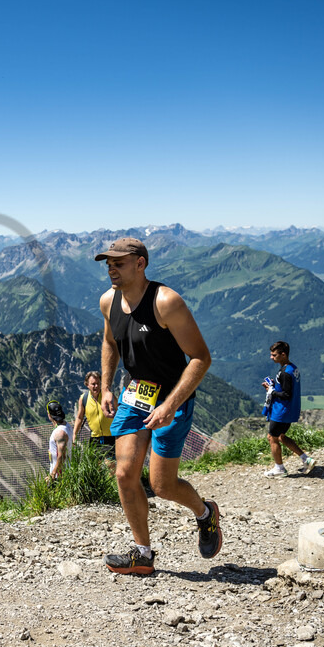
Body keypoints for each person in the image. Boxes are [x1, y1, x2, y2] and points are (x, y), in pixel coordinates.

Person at [95, 237, 222, 576]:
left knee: (163, 485)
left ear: (140, 263)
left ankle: (206, 514)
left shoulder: (166, 302)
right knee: (124, 474)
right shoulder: (108, 301)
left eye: (118, 262)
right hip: (136, 395)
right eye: (108, 263)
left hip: (173, 399)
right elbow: (110, 342)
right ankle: (142, 553)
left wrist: (170, 404)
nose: (111, 268)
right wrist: (106, 386)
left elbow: (200, 358)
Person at [261, 341, 316, 478]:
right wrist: (274, 386)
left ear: (283, 354)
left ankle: (279, 468)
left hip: (282, 411)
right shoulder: (293, 368)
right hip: (291, 409)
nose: (271, 357)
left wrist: (271, 391)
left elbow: (286, 394)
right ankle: (306, 459)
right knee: (281, 437)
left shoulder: (285, 373)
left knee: (272, 437)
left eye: (274, 355)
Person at [72, 370, 116, 470]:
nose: (96, 386)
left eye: (98, 383)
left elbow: (119, 410)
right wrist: (74, 434)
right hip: (94, 438)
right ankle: (100, 485)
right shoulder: (84, 398)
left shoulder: (108, 396)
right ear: (87, 385)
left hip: (110, 437)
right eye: (93, 384)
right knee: (95, 467)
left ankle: (114, 485)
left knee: (110, 465)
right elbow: (79, 417)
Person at [46, 400, 72, 483]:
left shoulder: (60, 433)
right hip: (63, 473)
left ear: (49, 415)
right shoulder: (67, 425)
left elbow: (62, 456)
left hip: (60, 477)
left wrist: (53, 474)